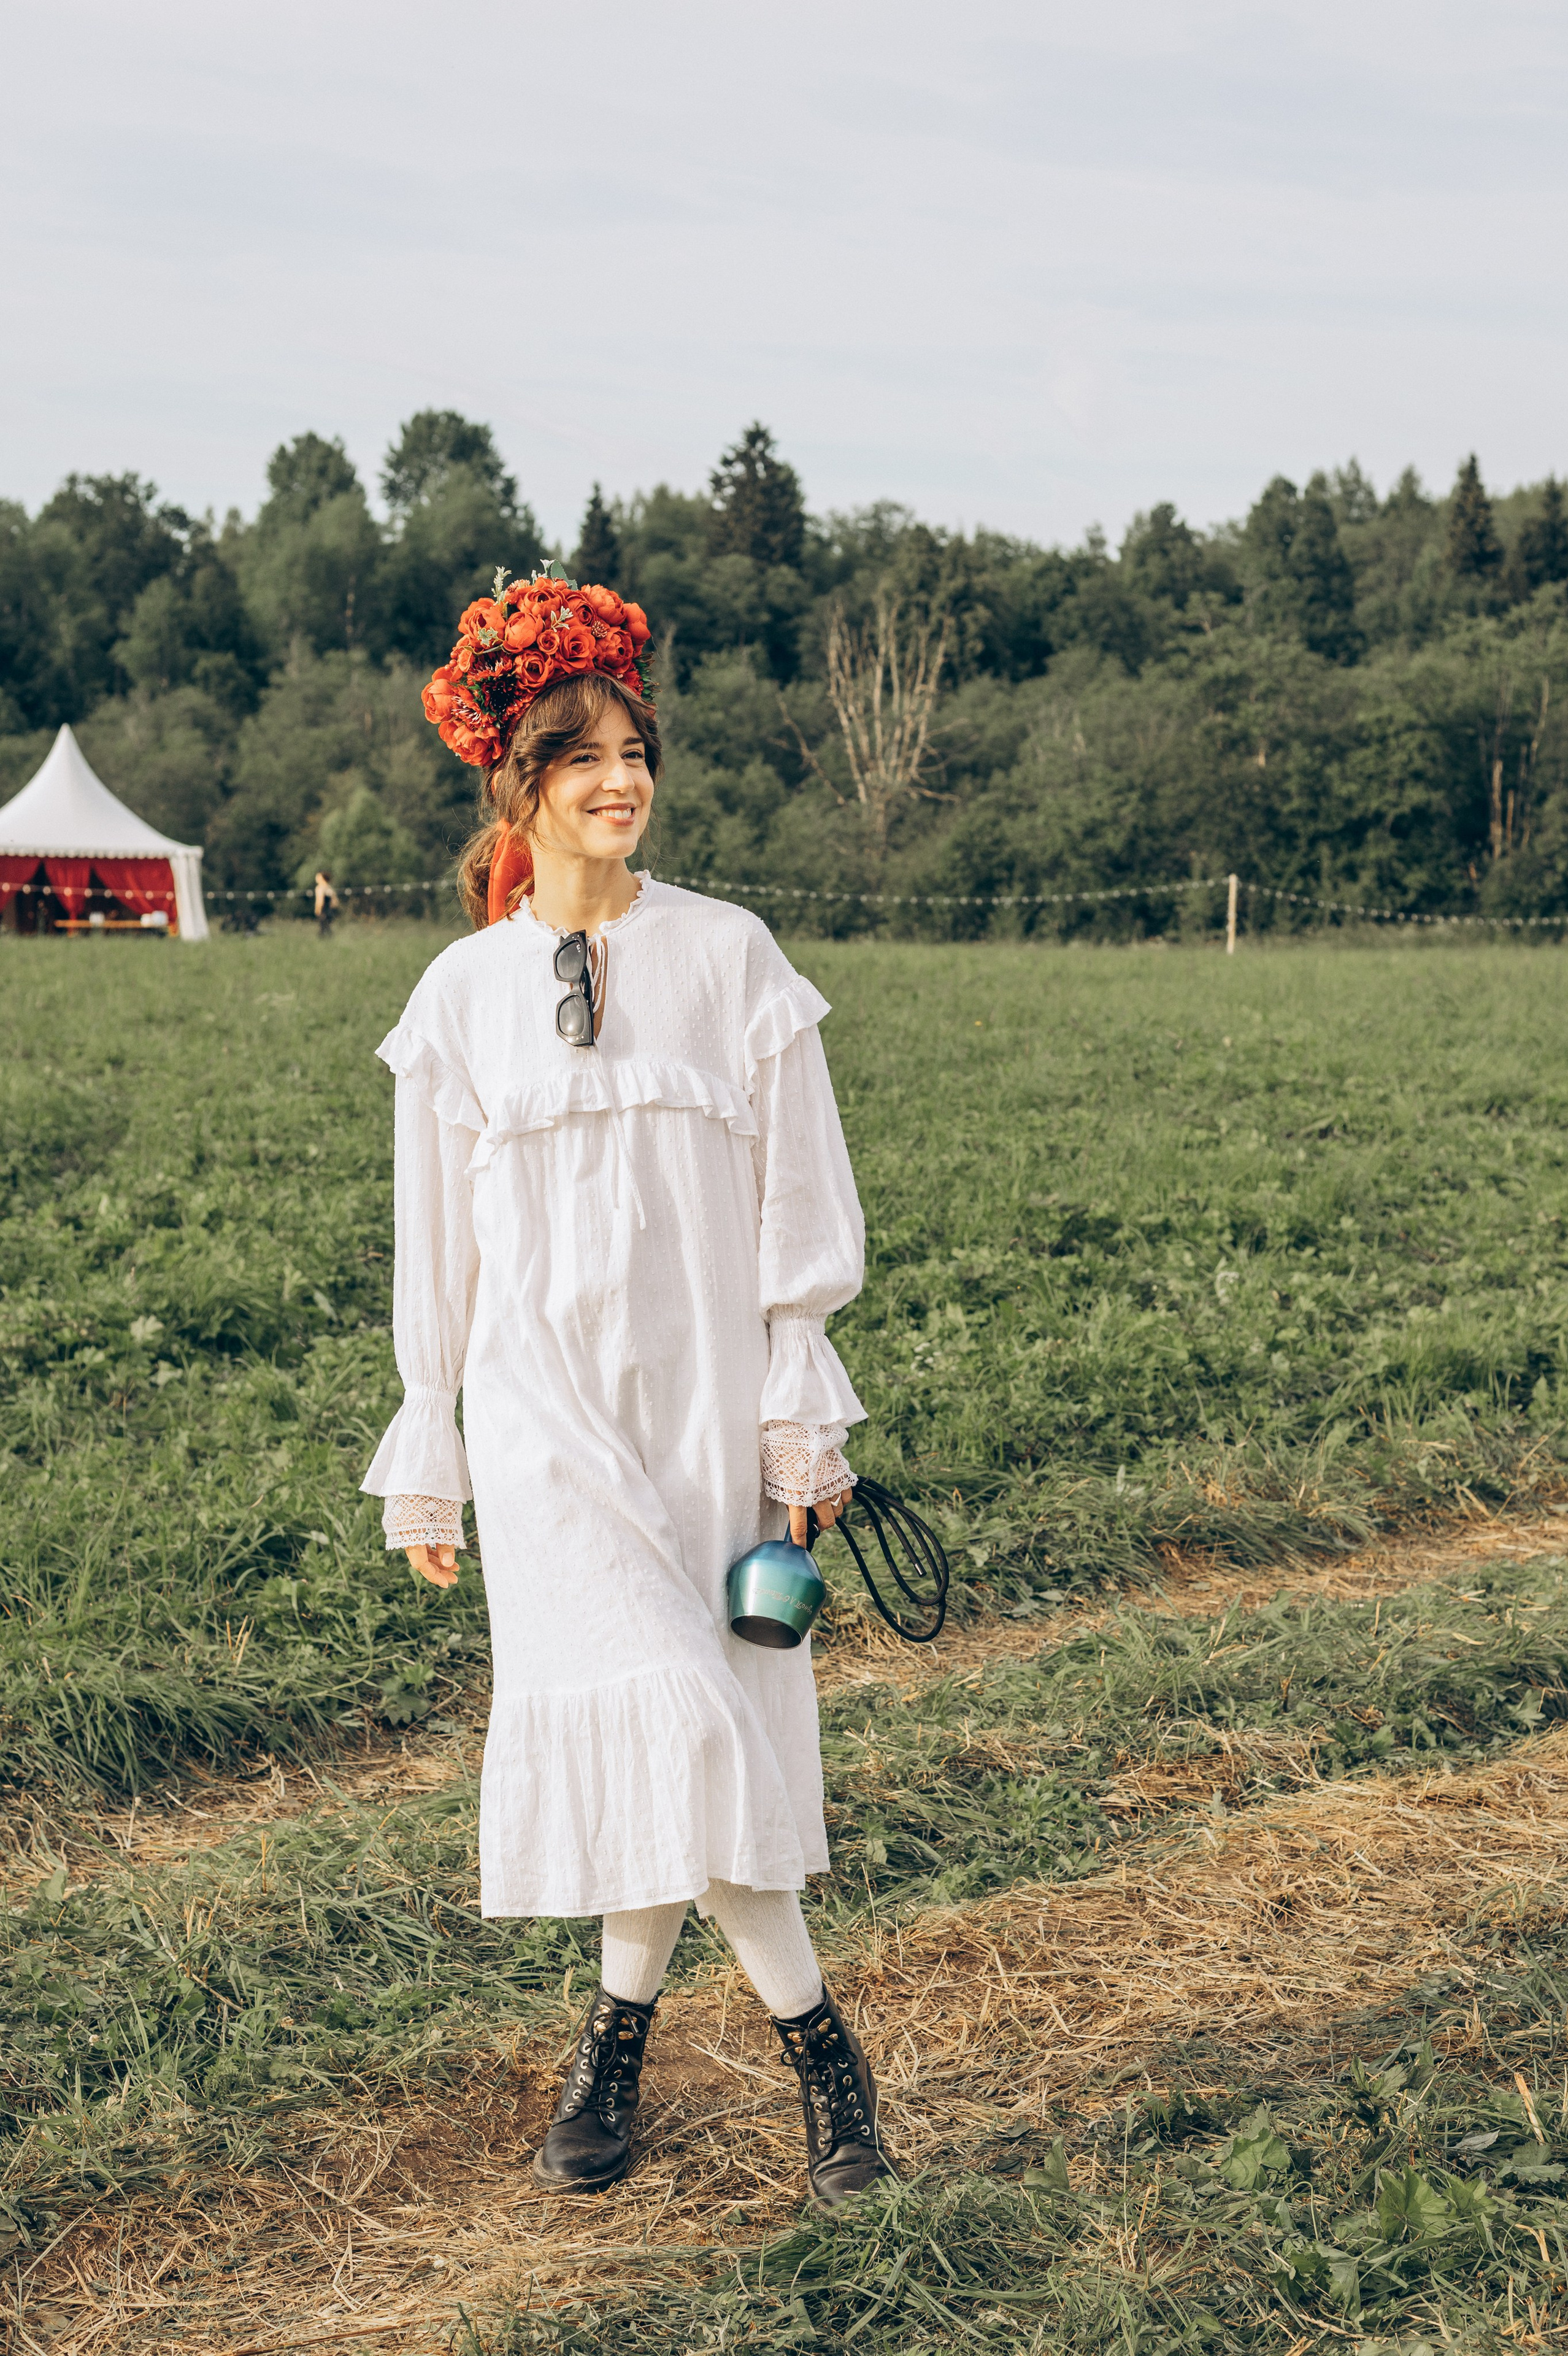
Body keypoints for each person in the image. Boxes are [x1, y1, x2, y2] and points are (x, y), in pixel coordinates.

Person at [361, 572, 892, 2208]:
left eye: (635, 750)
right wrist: (429, 1442)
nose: (619, 778)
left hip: (706, 1415)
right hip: (540, 1435)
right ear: (518, 786)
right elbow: (433, 1245)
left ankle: (613, 2038)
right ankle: (828, 2064)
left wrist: (800, 1404)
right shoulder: (459, 1000)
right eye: (579, 755)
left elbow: (798, 1206)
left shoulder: (730, 957)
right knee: (673, 1716)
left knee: (704, 1727)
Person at [314, 868, 340, 937]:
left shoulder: (320, 888)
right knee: (327, 928)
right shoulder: (330, 888)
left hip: (323, 910)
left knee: (323, 929)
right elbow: (336, 902)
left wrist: (318, 910)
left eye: (318, 876)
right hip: (330, 911)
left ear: (322, 878)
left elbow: (320, 900)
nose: (316, 878)